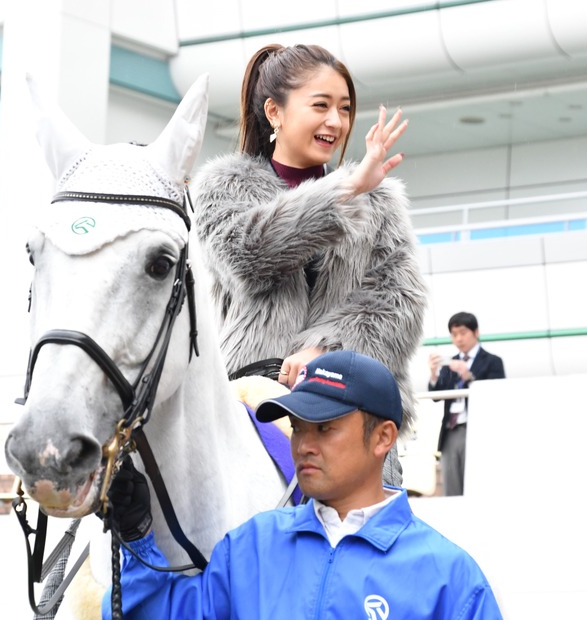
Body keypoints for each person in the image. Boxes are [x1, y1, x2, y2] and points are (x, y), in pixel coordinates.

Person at [102, 350, 502, 619]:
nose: (304, 445)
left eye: (325, 428)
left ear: (383, 437)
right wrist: (137, 537)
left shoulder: (450, 578)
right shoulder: (250, 547)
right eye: (298, 427)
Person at [190, 43, 427, 487]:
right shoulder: (220, 187)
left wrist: (327, 350)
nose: (336, 122)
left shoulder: (378, 199)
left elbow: (400, 303)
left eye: (345, 108)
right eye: (321, 105)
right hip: (254, 403)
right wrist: (342, 193)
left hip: (352, 405)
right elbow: (247, 257)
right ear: (274, 112)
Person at [428, 312, 506, 496]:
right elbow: (436, 395)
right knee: (451, 485)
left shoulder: (492, 361)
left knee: (478, 484)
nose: (459, 339)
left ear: (475, 332)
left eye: (463, 333)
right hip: (451, 430)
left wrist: (468, 375)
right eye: (454, 335)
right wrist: (433, 374)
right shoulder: (451, 363)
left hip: (478, 428)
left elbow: (497, 393)